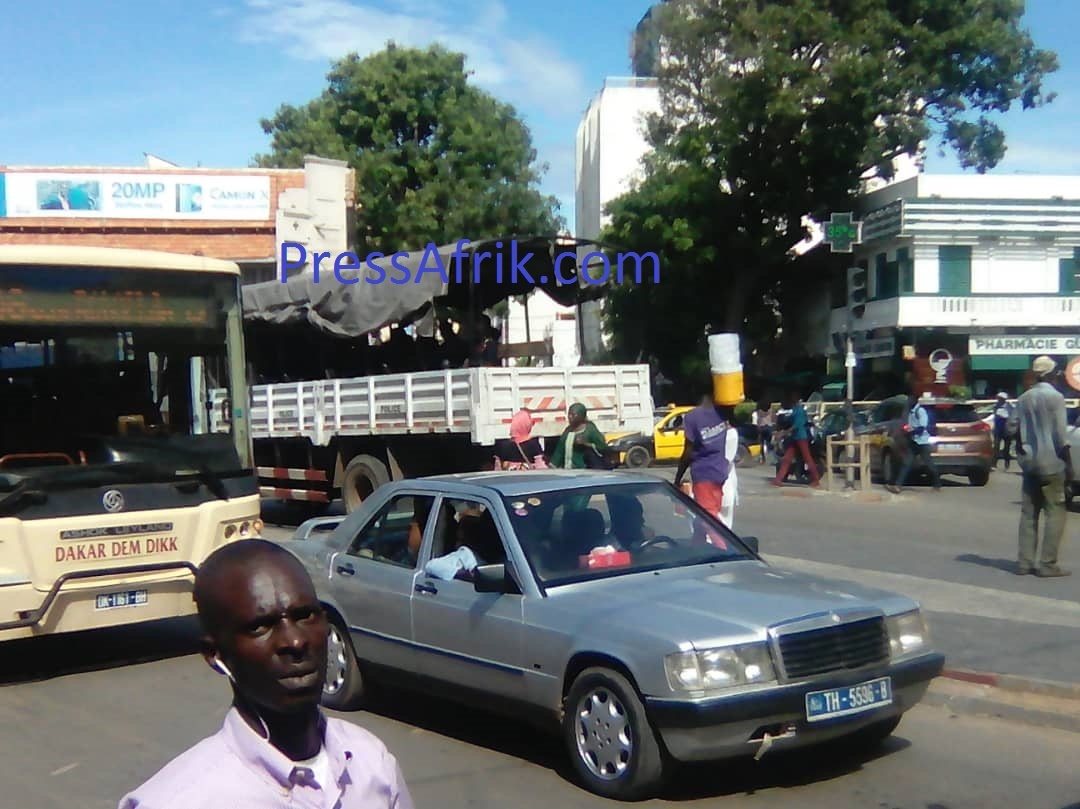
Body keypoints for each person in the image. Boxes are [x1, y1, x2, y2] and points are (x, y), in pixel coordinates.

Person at [117, 539, 414, 808]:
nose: (294, 641)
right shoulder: (179, 801)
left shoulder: (370, 762)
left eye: (304, 616)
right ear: (215, 654)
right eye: (260, 626)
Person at [1009, 356, 1071, 577]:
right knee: (1056, 513)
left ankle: (1024, 563)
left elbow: (1011, 428)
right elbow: (1062, 437)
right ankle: (1047, 563)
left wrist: (1022, 450)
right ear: (1052, 374)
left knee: (1028, 514)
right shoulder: (1056, 398)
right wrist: (1069, 468)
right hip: (1052, 463)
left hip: (1030, 463)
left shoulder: (1024, 398)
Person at [674, 393, 739, 526]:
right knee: (702, 520)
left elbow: (688, 452)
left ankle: (724, 547)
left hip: (704, 476)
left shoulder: (692, 417)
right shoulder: (722, 414)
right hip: (721, 475)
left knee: (709, 522)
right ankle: (697, 545)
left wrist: (678, 477)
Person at [888, 394, 942, 494]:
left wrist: (910, 432)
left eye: (910, 401)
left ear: (915, 402)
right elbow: (910, 426)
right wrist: (906, 431)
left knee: (929, 465)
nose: (908, 403)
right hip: (913, 442)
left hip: (922, 443)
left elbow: (922, 428)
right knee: (906, 463)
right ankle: (898, 486)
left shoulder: (920, 411)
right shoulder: (911, 413)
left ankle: (937, 484)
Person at [771, 391, 821, 488]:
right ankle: (778, 480)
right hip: (795, 437)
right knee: (787, 459)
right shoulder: (795, 409)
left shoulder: (799, 410)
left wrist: (784, 433)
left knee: (807, 458)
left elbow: (797, 425)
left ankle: (816, 479)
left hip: (801, 437)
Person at [549, 403, 610, 469]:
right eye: (569, 414)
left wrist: (586, 444)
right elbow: (559, 450)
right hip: (568, 471)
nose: (570, 417)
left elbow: (603, 448)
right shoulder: (568, 430)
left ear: (582, 416)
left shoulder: (590, 430)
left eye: (573, 415)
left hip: (585, 472)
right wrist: (553, 465)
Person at [992, 391, 1015, 470]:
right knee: (996, 447)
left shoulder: (1009, 407)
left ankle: (1007, 463)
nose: (999, 400)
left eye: (1001, 399)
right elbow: (995, 417)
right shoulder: (995, 407)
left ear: (1004, 399)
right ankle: (994, 464)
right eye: (998, 398)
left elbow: (1012, 417)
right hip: (998, 430)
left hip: (1006, 430)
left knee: (1006, 448)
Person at [752, 400, 774, 464]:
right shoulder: (771, 411)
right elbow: (774, 419)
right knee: (769, 443)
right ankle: (771, 459)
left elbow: (759, 420)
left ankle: (763, 458)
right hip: (769, 427)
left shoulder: (759, 411)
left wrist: (758, 427)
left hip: (762, 428)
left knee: (761, 444)